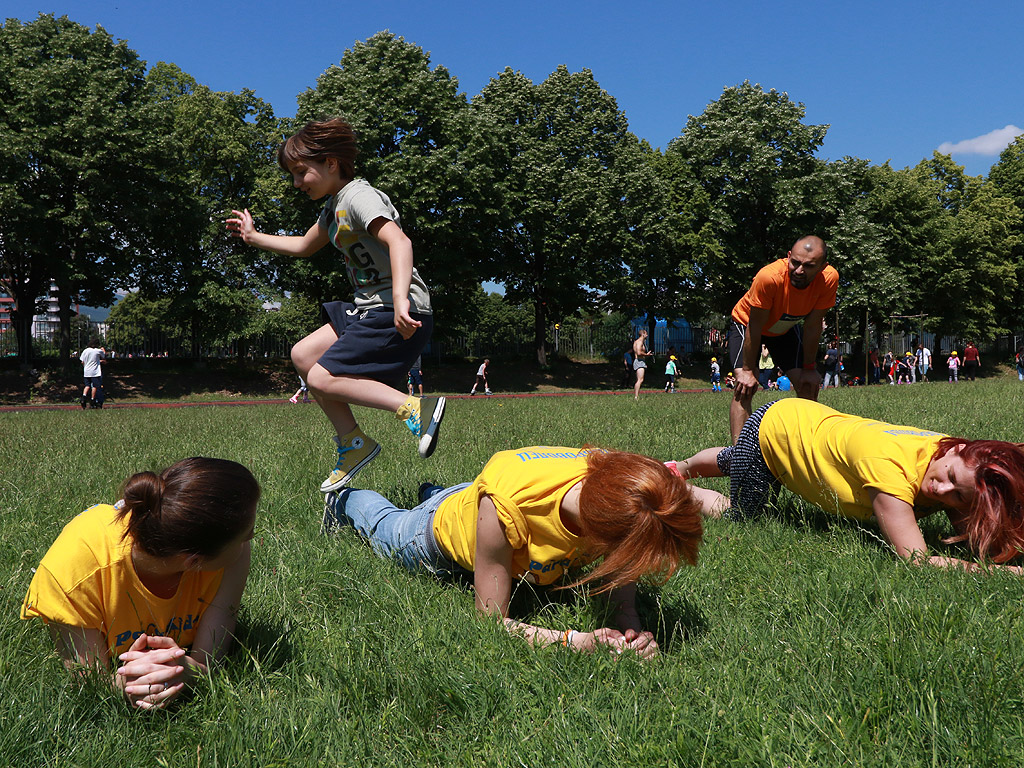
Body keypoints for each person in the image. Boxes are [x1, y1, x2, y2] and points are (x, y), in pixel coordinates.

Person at [226, 117, 445, 493]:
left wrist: (398, 299)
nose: (296, 183)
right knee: (303, 355)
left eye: (300, 172)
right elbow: (302, 246)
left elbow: (401, 243)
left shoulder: (360, 197)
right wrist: (253, 237)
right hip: (367, 306)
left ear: (330, 163)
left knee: (320, 378)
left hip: (395, 307)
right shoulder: (333, 208)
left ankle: (415, 409)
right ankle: (353, 443)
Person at [323, 446, 711, 657]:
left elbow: (621, 588)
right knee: (383, 523)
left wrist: (632, 631)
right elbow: (491, 622)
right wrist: (577, 641)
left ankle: (438, 489)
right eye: (631, 557)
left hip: (479, 497)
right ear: (604, 533)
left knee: (462, 494)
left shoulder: (622, 488)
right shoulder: (507, 508)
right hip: (433, 537)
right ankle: (346, 499)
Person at [672, 399, 1024, 573]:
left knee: (737, 459)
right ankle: (681, 486)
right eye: (949, 479)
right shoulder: (890, 471)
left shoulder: (949, 454)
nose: (942, 492)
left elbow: (980, 538)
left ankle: (679, 467)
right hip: (775, 431)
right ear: (959, 450)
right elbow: (915, 560)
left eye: (959, 495)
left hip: (801, 418)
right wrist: (1002, 573)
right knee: (744, 513)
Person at [21, 458, 260, 710]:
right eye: (248, 533)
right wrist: (130, 683)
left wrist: (188, 671)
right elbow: (90, 680)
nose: (251, 538)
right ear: (194, 561)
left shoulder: (234, 554)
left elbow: (209, 663)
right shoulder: (73, 574)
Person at [728, 235, 838, 442]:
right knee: (745, 387)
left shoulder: (829, 279)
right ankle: (740, 456)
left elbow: (813, 325)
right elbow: (755, 325)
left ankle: (806, 444)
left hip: (785, 326)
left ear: (823, 266)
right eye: (795, 262)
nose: (798, 271)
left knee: (807, 384)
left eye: (808, 266)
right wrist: (748, 371)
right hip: (748, 323)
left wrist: (809, 368)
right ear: (788, 256)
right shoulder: (769, 277)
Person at [79, 339, 106, 409]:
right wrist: (103, 350)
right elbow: (103, 355)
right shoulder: (97, 351)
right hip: (95, 372)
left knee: (87, 385)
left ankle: (83, 397)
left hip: (86, 371)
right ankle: (92, 399)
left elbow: (82, 361)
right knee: (95, 386)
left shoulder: (85, 351)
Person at [632, 328, 653, 401]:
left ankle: (636, 396)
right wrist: (647, 355)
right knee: (640, 380)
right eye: (646, 333)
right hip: (639, 361)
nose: (647, 335)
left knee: (639, 379)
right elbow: (638, 352)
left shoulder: (637, 342)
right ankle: (636, 397)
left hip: (639, 361)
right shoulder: (640, 342)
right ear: (643, 334)